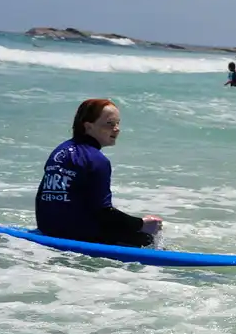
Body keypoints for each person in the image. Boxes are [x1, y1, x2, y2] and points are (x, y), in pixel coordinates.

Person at [35, 99, 163, 247]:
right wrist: (141, 224)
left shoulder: (59, 152)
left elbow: (42, 198)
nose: (116, 129)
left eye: (118, 123)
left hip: (48, 230)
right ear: (88, 126)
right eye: (110, 124)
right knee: (147, 238)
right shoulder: (97, 160)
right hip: (78, 236)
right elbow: (104, 213)